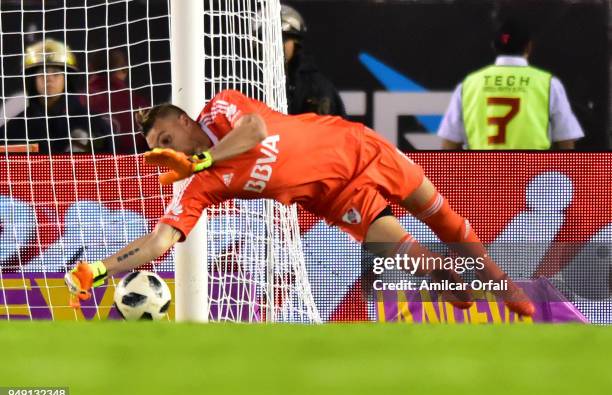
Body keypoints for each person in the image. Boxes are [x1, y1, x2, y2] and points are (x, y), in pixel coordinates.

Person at [64, 89, 536, 317]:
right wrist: (98, 269)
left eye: (169, 138)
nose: (174, 149)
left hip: (355, 146)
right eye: (160, 147)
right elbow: (159, 239)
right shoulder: (197, 185)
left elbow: (257, 131)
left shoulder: (221, 109)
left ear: (187, 122)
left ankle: (503, 284)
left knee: (443, 215)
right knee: (412, 257)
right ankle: (445, 280)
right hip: (334, 197)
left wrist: (205, 156)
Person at [438, 19, 584, 150]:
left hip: (481, 175)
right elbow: (566, 141)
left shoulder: (468, 85)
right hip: (531, 174)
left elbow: (449, 144)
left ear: (495, 46)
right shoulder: (549, 84)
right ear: (528, 47)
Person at [0, 39, 111, 154]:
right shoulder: (13, 129)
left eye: (56, 72)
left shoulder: (94, 125)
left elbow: (112, 167)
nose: (49, 78)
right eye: (42, 72)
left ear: (66, 79)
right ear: (32, 80)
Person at [281, 4, 346, 117]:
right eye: (263, 40)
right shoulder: (249, 83)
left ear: (296, 43)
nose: (275, 46)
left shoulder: (317, 86)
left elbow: (331, 131)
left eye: (283, 39)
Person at [83, 49, 150, 154]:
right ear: (124, 70)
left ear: (90, 68)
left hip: (82, 167)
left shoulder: (77, 101)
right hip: (130, 167)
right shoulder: (138, 105)